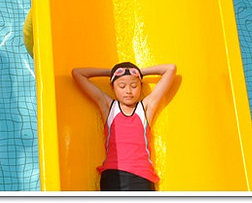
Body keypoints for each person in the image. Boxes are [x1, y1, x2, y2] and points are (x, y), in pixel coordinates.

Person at [71, 61, 177, 191]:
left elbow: (170, 69)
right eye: (122, 86)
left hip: (142, 176)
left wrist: (139, 72)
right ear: (112, 87)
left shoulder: (145, 108)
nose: (128, 91)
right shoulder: (108, 107)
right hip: (113, 175)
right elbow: (77, 73)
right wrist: (111, 72)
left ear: (141, 86)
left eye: (134, 85)